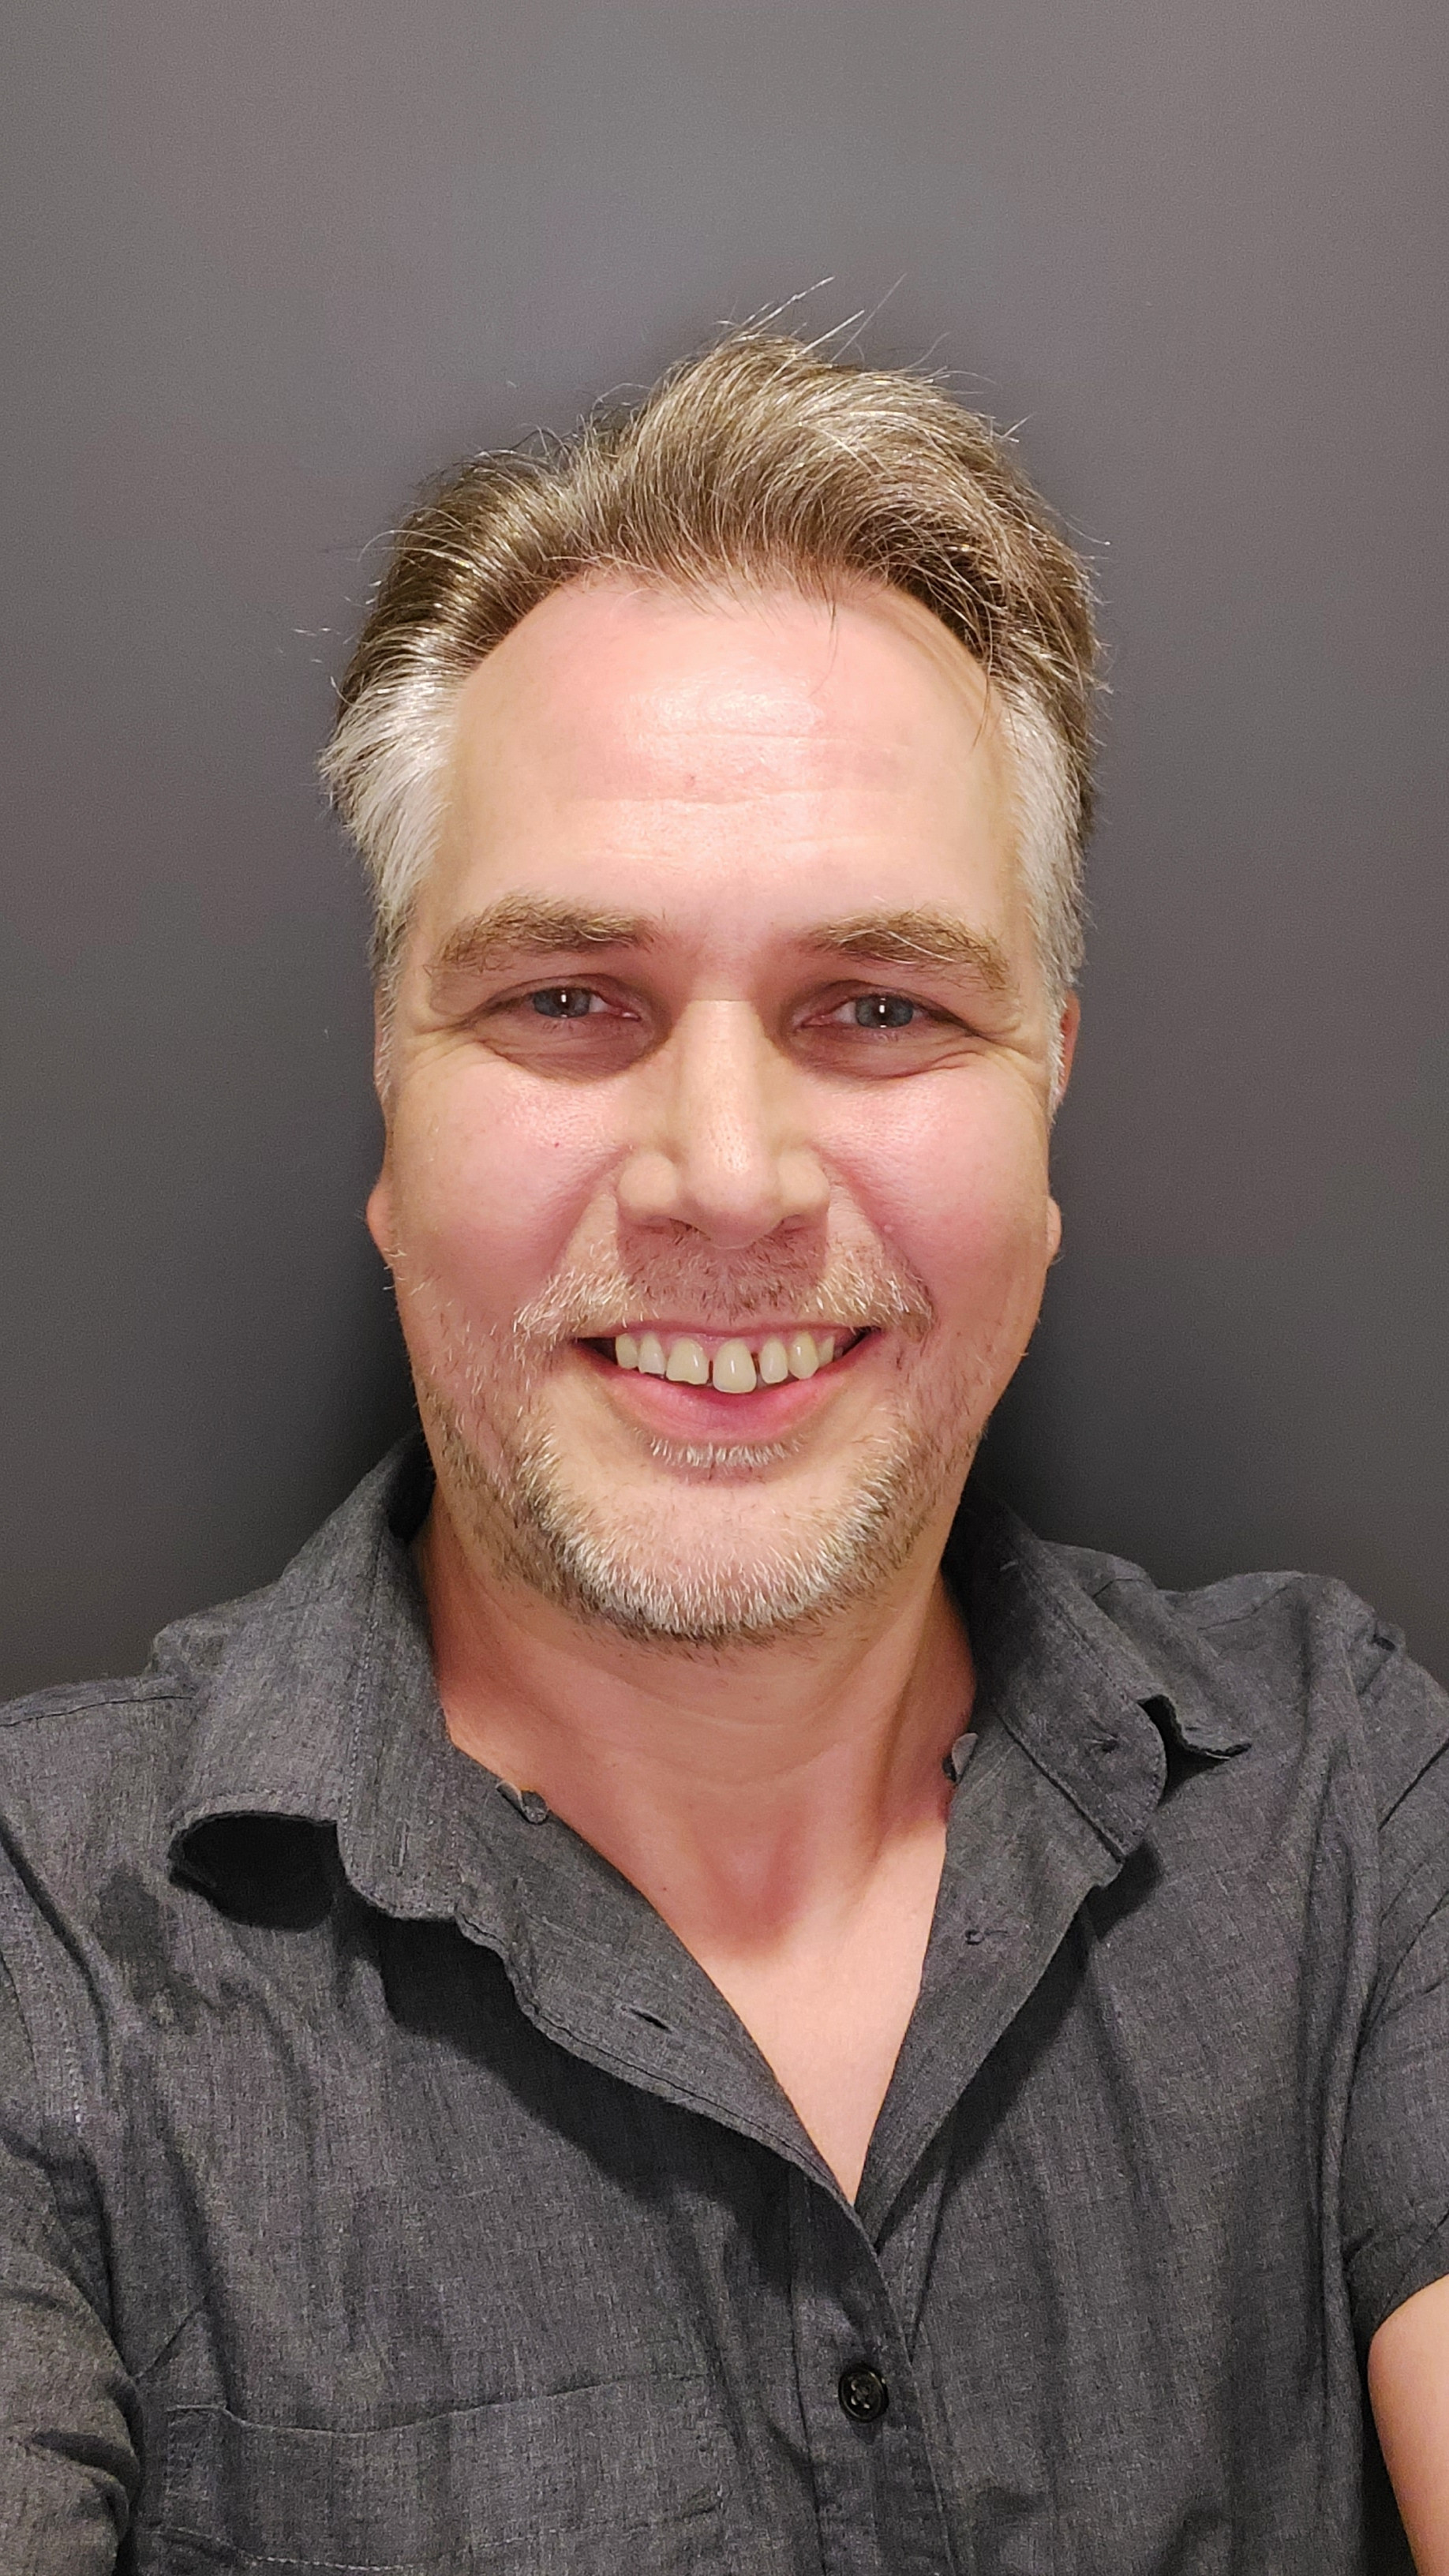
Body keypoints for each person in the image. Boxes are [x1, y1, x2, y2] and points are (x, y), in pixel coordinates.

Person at [2, 330, 1446, 2576]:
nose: (727, 1177)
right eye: (565, 999)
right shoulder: (39, 1953)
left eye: (880, 1006)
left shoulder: (1349, 1816)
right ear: (391, 1097)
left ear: (1046, 1095)